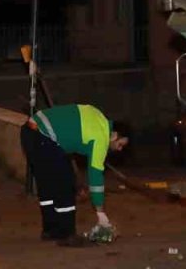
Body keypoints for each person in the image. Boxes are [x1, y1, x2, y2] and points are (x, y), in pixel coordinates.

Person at [20, 104, 129, 244]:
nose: (119, 149)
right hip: (43, 137)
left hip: (29, 133)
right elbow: (95, 175)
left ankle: (50, 230)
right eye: (120, 144)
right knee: (65, 185)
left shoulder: (96, 115)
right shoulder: (101, 135)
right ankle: (67, 234)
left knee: (48, 186)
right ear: (114, 135)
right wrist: (100, 212)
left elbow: (69, 139)